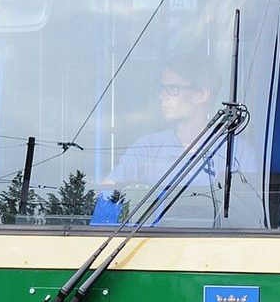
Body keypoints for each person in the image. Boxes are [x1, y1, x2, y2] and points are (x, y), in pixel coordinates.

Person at [102, 54, 259, 219]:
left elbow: (248, 214)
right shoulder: (146, 148)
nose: (161, 96)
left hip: (217, 241)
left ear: (202, 95)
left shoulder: (235, 151)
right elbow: (106, 202)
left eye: (172, 89)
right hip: (151, 241)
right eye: (162, 88)